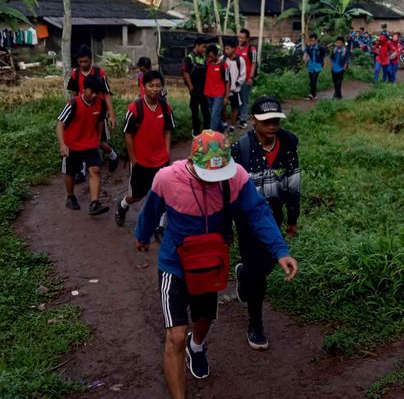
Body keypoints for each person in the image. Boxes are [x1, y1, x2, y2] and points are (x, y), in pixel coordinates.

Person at [135, 130, 299, 399]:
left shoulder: (236, 177)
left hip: (211, 262)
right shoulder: (166, 178)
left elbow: (258, 212)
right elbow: (151, 211)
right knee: (175, 335)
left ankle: (196, 346)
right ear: (191, 161)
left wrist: (280, 250)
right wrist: (142, 236)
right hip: (175, 265)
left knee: (204, 319)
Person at [231, 96, 300, 350]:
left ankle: (243, 274)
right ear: (253, 121)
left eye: (275, 120)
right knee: (258, 274)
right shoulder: (240, 149)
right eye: (265, 121)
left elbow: (293, 183)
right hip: (247, 218)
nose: (272, 125)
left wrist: (293, 217)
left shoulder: (288, 143)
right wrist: (227, 225)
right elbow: (228, 189)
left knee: (269, 261)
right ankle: (255, 324)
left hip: (273, 215)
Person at [115, 70, 175, 228]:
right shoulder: (135, 108)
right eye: (151, 86)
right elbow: (128, 135)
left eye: (158, 86)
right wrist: (134, 160)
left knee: (161, 195)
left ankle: (159, 226)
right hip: (141, 162)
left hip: (161, 161)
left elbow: (168, 131)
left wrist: (167, 153)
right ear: (144, 86)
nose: (155, 89)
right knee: (136, 196)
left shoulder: (165, 108)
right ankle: (122, 206)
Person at [56, 75, 110, 215]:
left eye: (96, 93)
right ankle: (70, 196)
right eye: (91, 92)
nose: (94, 95)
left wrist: (98, 139)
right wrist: (62, 144)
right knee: (70, 173)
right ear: (84, 89)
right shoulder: (73, 104)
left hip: (90, 143)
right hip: (72, 144)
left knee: (95, 170)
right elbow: (60, 124)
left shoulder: (100, 103)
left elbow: (100, 122)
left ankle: (94, 203)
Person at [67, 45, 119, 173]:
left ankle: (113, 155)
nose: (83, 64)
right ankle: (83, 170)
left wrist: (111, 114)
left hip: (97, 111)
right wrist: (71, 110)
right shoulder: (75, 74)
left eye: (86, 61)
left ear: (91, 60)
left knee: (98, 141)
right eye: (80, 62)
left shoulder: (99, 73)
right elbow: (73, 93)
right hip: (81, 110)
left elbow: (106, 94)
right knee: (82, 139)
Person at [182, 38, 210, 137]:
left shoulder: (204, 58)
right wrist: (191, 88)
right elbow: (186, 74)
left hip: (204, 89)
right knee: (194, 110)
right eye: (203, 47)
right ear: (197, 45)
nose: (204, 49)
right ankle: (196, 130)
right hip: (194, 89)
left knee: (206, 109)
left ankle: (207, 129)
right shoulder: (188, 58)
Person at [221, 39, 247, 133]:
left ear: (233, 49)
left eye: (227, 49)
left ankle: (232, 126)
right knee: (223, 106)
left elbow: (243, 74)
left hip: (235, 89)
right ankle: (224, 123)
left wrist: (237, 83)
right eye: (225, 49)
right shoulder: (222, 59)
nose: (226, 51)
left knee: (234, 107)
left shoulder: (240, 60)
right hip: (224, 90)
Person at [204, 44, 229, 132]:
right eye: (209, 56)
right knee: (215, 115)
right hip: (208, 94)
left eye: (211, 56)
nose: (210, 58)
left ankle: (212, 136)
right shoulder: (207, 63)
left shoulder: (224, 65)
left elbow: (227, 81)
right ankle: (222, 131)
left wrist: (226, 97)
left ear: (216, 55)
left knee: (214, 115)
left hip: (219, 95)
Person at [235, 29, 257, 130]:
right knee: (236, 99)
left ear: (247, 39)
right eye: (239, 37)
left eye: (242, 38)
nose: (240, 39)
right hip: (236, 79)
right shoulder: (235, 49)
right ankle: (239, 116)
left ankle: (243, 120)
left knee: (244, 99)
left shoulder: (251, 50)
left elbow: (253, 63)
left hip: (246, 79)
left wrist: (251, 78)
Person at [303, 33, 325, 100]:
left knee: (314, 79)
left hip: (318, 65)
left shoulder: (320, 47)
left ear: (316, 40)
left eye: (313, 41)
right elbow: (305, 54)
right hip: (310, 65)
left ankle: (311, 94)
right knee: (311, 80)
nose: (311, 42)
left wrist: (323, 64)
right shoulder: (309, 47)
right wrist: (305, 59)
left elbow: (323, 56)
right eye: (310, 41)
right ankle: (314, 94)